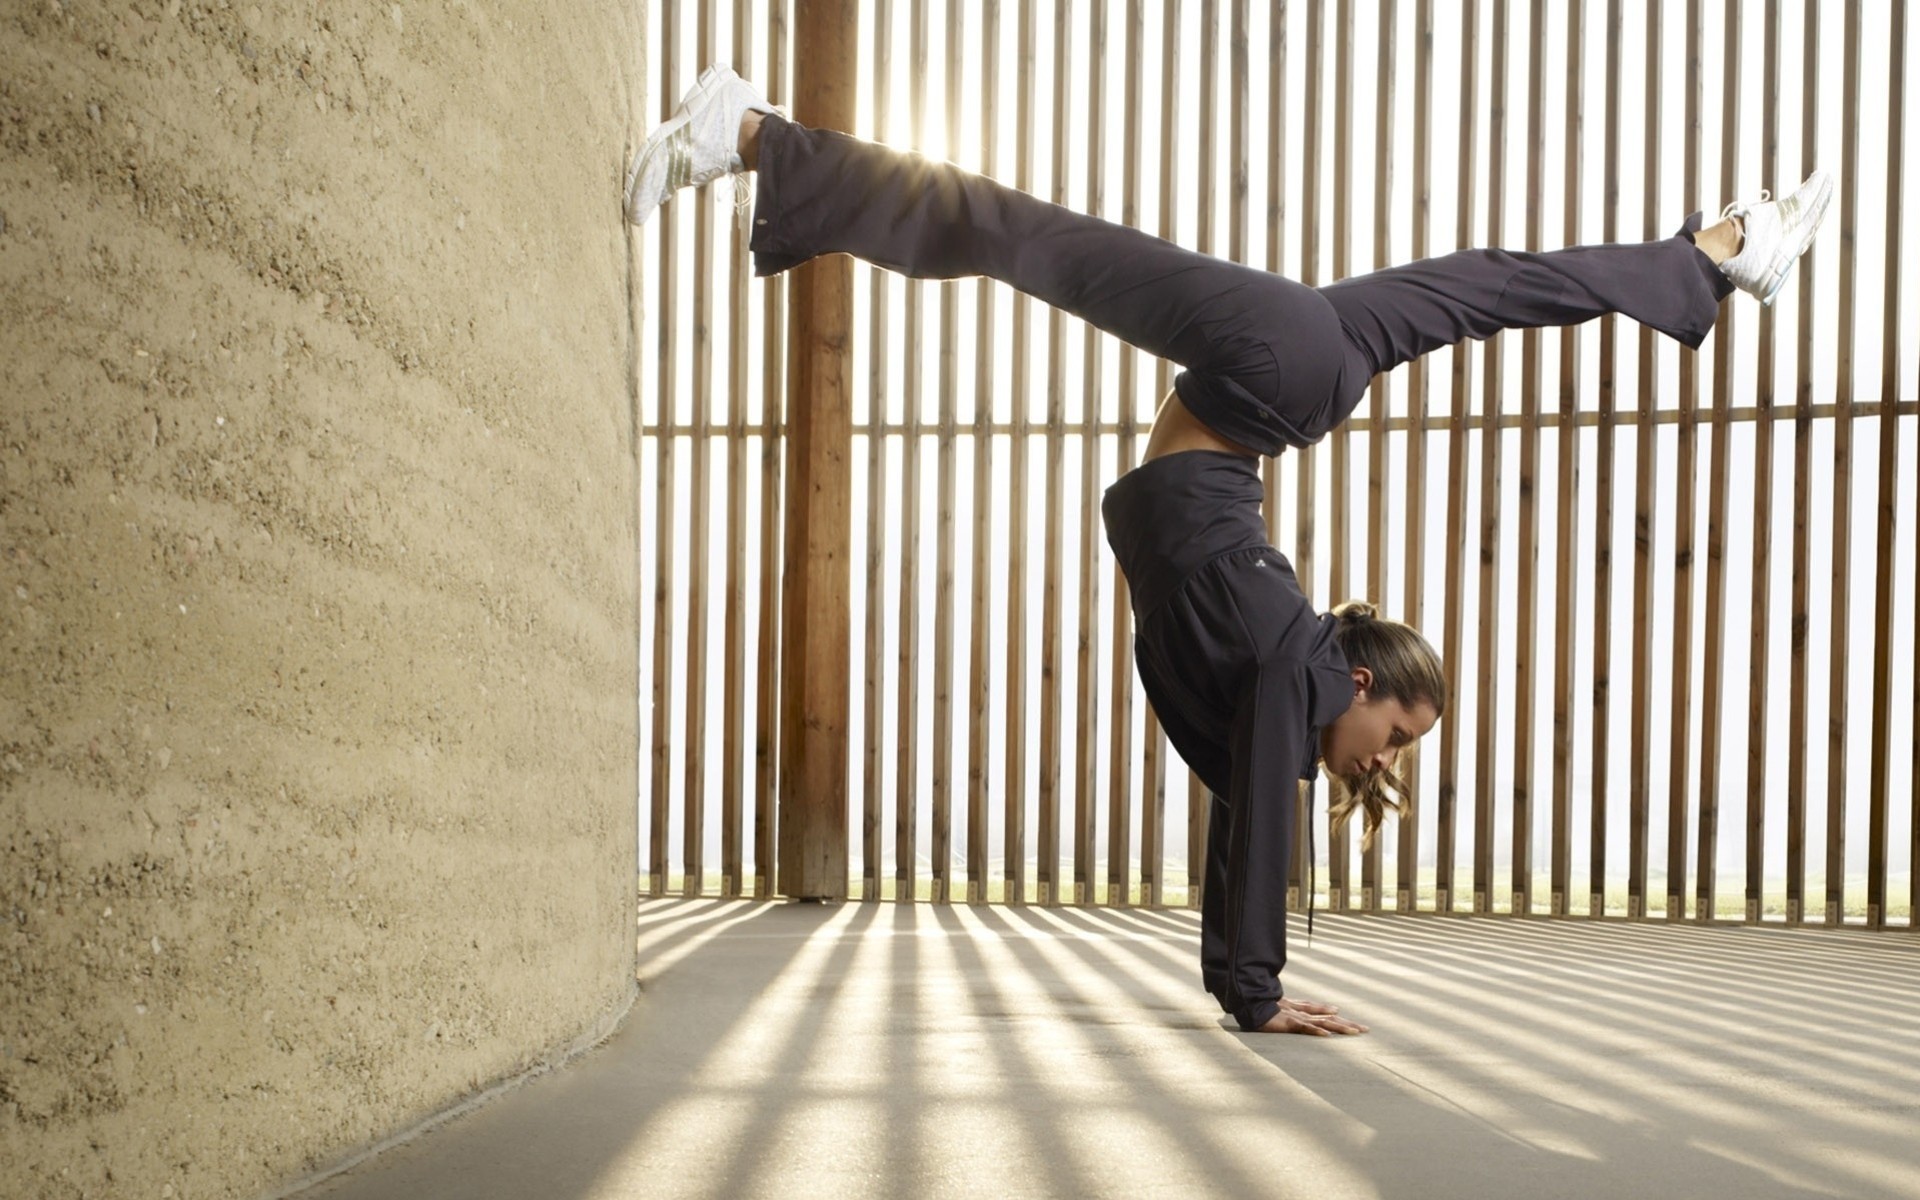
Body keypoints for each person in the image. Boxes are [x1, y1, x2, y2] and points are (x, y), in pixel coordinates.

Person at [627, 65, 1833, 1037]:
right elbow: (1258, 821)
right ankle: (756, 135)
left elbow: (1253, 795)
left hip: (1290, 371)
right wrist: (1251, 993)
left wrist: (1259, 944)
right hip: (1272, 370)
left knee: (1484, 289)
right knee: (1018, 234)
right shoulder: (1297, 665)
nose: (1387, 758)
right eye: (1399, 733)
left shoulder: (1283, 675)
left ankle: (1720, 249)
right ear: (1360, 682)